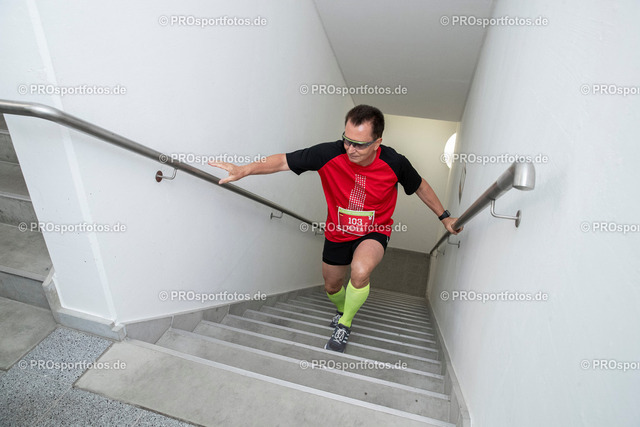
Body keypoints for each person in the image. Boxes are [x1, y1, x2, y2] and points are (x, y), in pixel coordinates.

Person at [208, 105, 462, 353]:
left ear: (377, 142)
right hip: (337, 232)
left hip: (374, 231)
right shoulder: (328, 153)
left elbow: (420, 186)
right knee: (331, 286)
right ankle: (342, 310)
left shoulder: (395, 162)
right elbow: (283, 161)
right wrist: (244, 170)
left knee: (360, 271)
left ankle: (345, 324)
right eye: (347, 140)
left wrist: (444, 218)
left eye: (359, 144)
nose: (351, 149)